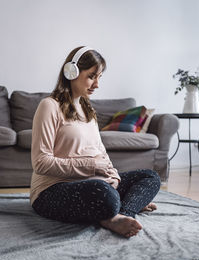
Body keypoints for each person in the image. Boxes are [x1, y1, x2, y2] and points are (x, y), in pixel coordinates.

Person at [30, 46, 161, 238]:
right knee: (103, 194)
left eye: (99, 77)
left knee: (150, 177)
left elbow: (101, 153)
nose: (97, 84)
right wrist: (92, 167)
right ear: (71, 72)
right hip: (53, 190)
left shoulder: (88, 110)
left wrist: (113, 176)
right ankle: (114, 210)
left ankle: (123, 214)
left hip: (92, 183)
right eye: (92, 76)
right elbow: (41, 163)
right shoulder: (49, 106)